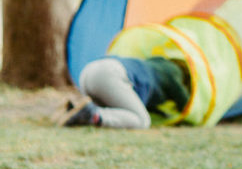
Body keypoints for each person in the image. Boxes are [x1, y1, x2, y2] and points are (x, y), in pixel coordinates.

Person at [56, 55, 191, 129]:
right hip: (109, 75)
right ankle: (93, 114)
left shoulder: (154, 64)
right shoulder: (174, 75)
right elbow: (187, 105)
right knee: (143, 121)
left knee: (121, 109)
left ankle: (75, 110)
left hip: (89, 71)